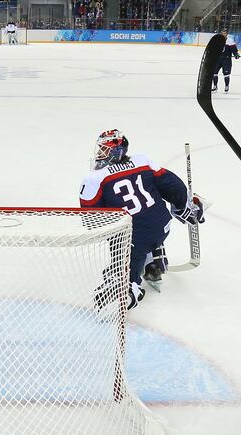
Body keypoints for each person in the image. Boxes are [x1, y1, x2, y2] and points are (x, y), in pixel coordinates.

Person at [78, 129, 204, 307]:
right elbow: (170, 184)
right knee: (148, 219)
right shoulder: (142, 161)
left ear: (115, 152)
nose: (99, 154)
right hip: (163, 226)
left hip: (133, 240)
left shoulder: (94, 179)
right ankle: (155, 262)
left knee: (123, 245)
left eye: (103, 150)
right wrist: (183, 205)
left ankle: (127, 290)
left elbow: (92, 220)